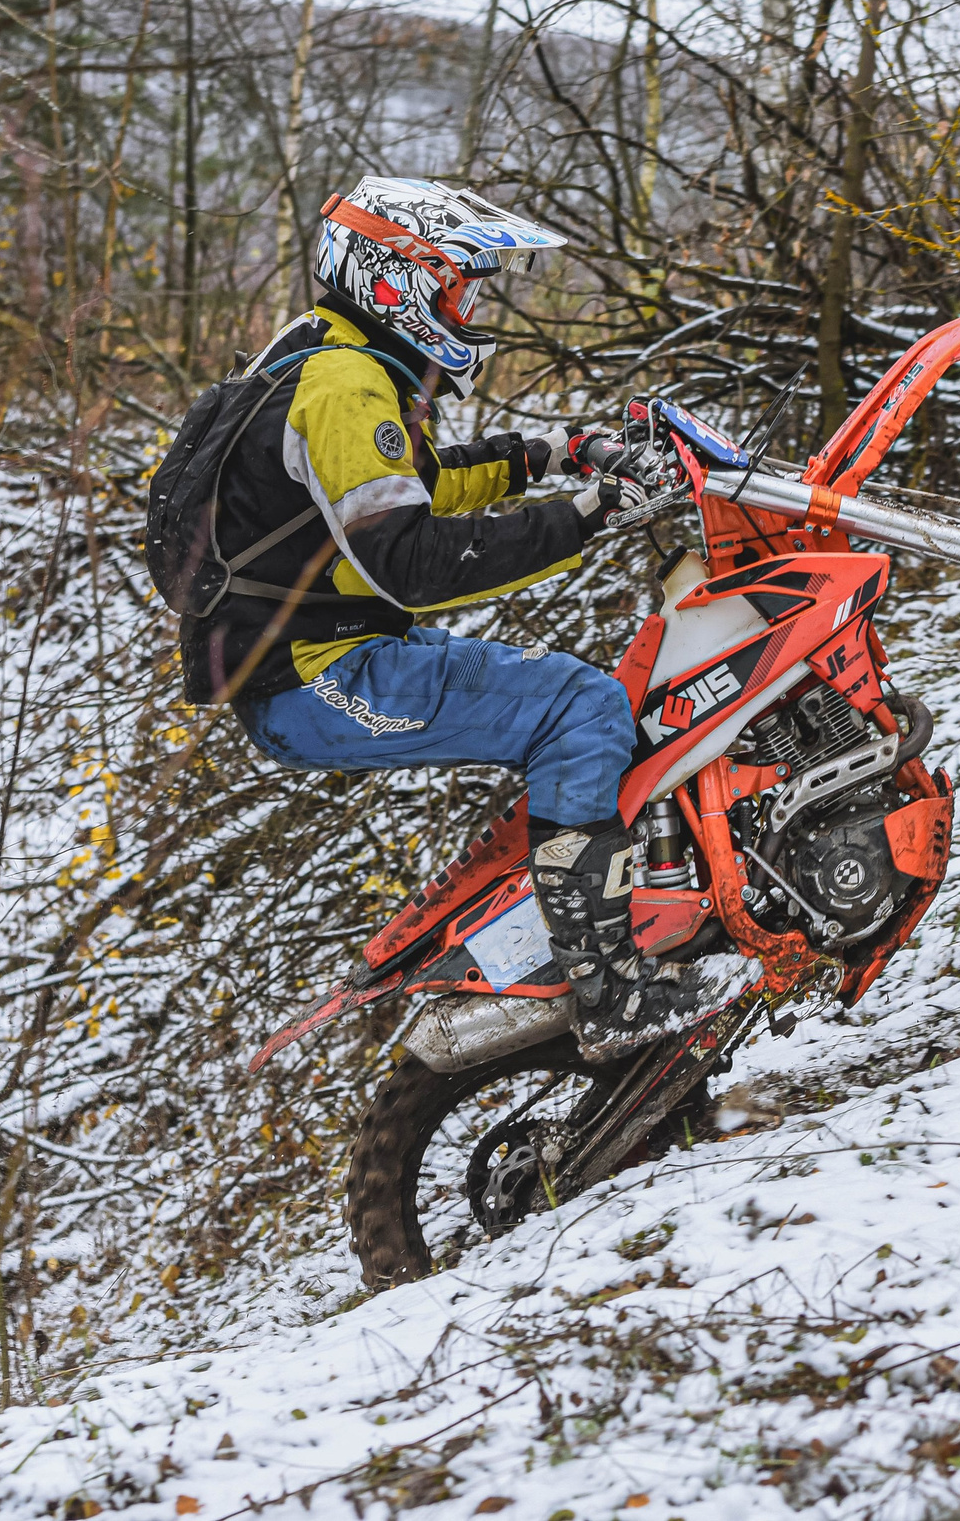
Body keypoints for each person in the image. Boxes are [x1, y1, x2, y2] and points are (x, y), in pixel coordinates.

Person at [178, 174, 747, 1055]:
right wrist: (588, 515)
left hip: (309, 662)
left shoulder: (318, 352)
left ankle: (615, 916)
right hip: (318, 679)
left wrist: (551, 453)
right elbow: (409, 560)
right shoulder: (344, 384)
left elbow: (417, 485)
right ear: (394, 282)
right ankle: (611, 992)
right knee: (583, 707)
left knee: (587, 703)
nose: (469, 310)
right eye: (455, 290)